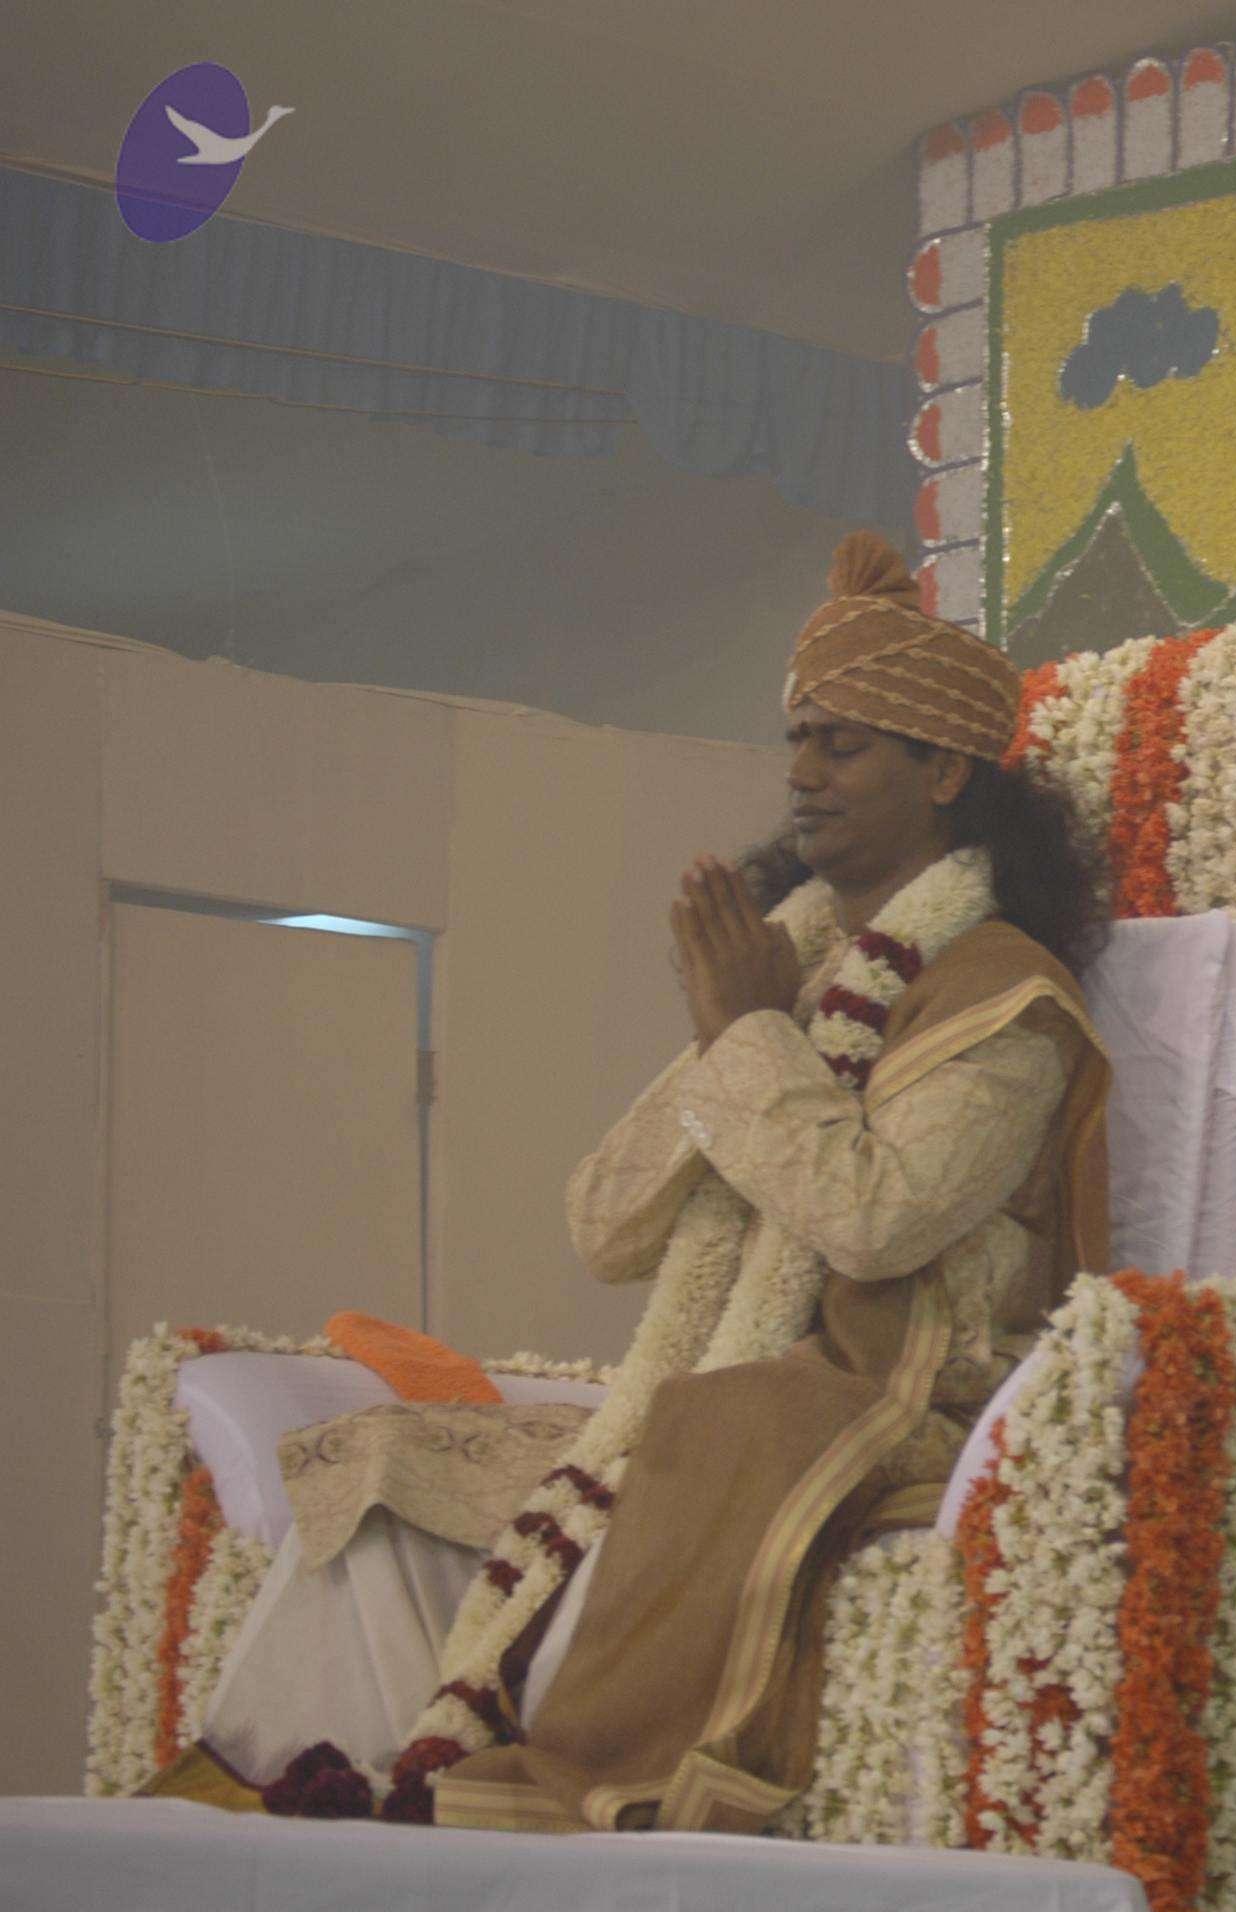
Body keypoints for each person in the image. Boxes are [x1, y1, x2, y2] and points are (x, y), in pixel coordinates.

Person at [162, 531, 1111, 1831]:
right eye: (798, 741)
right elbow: (604, 1225)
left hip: (888, 1397)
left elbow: (873, 1223)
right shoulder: (790, 968)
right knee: (391, 1469)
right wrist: (740, 1029)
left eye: (843, 746)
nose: (801, 775)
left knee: (710, 1425)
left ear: (945, 770)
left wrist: (747, 1034)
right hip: (729, 1382)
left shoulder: (1008, 1001)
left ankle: (485, 1813)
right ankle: (285, 1797)